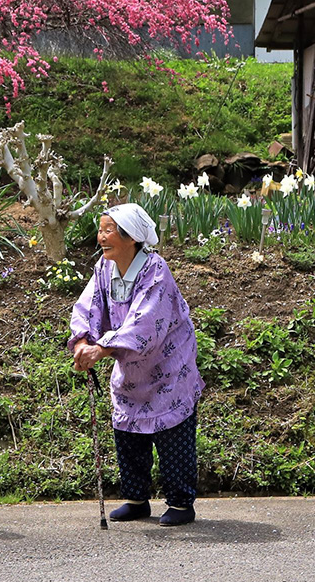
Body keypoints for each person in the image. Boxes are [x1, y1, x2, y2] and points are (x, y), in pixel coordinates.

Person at [69, 202, 204, 526]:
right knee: (128, 433)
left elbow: (146, 323)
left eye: (108, 230)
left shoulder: (155, 270)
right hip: (131, 370)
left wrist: (103, 349)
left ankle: (181, 505)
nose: (100, 236)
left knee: (173, 437)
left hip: (169, 367)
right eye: (100, 229)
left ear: (130, 238)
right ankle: (136, 500)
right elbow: (88, 306)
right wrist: (85, 340)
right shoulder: (104, 268)